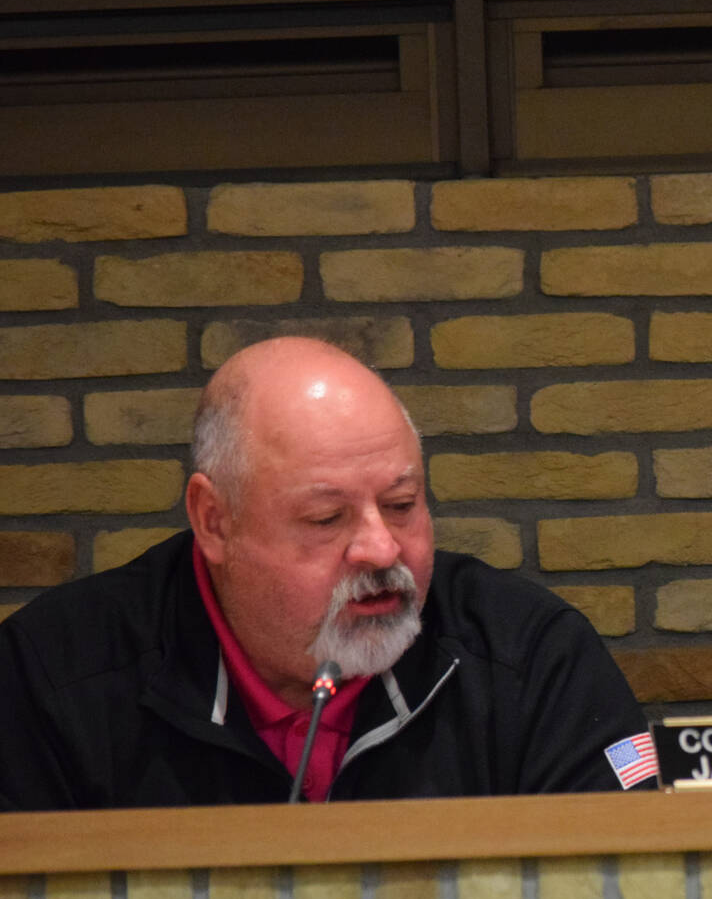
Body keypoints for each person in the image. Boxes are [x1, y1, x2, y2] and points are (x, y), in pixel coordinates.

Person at [0, 337, 656, 810]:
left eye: (402, 505)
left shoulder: (533, 659)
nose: (379, 547)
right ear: (214, 522)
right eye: (325, 519)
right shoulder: (52, 680)